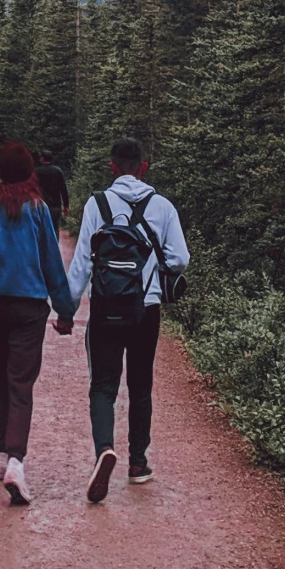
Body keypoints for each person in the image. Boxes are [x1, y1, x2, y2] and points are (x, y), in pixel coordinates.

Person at [64, 137, 190, 503]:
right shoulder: (162, 206)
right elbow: (179, 258)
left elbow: (83, 263)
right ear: (144, 167)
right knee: (140, 384)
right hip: (145, 308)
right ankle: (138, 463)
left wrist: (68, 310)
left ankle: (104, 449)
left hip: (105, 308)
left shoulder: (96, 204)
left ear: (113, 167)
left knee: (103, 385)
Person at [0, 140, 79, 505]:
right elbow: (50, 262)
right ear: (31, 173)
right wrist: (64, 310)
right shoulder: (39, 209)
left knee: (0, 376)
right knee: (20, 383)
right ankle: (15, 459)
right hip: (28, 307)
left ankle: (1, 453)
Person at [33, 148, 70, 232]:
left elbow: (32, 189)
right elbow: (63, 189)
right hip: (55, 206)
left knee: (41, 230)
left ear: (42, 158)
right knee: (55, 229)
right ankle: (55, 244)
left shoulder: (37, 172)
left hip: (40, 206)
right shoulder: (58, 171)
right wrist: (66, 205)